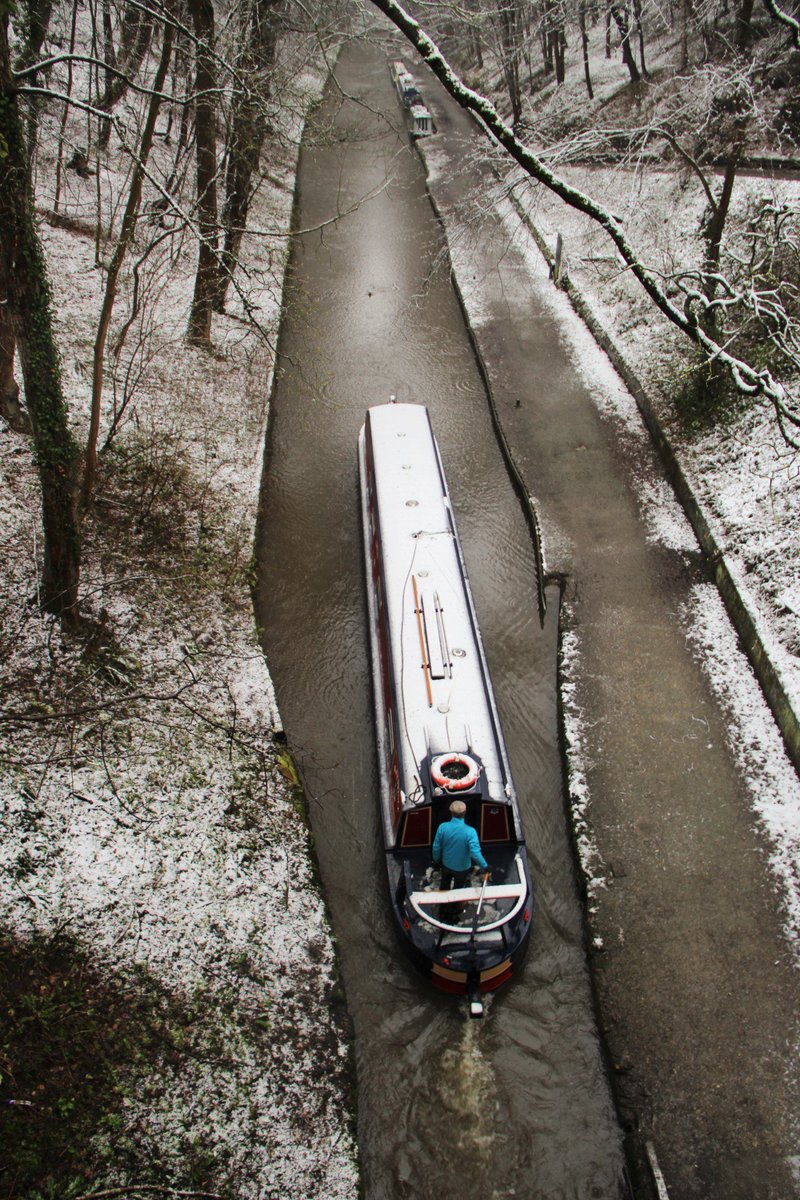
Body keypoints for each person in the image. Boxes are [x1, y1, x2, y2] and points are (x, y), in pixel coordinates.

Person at [432, 799, 487, 892]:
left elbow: (436, 847)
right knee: (458, 889)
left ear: (451, 812)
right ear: (465, 813)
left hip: (446, 865)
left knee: (444, 886)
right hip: (463, 869)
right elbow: (475, 853)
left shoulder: (442, 827)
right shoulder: (471, 832)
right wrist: (485, 866)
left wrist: (436, 860)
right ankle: (455, 905)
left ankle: (443, 903)